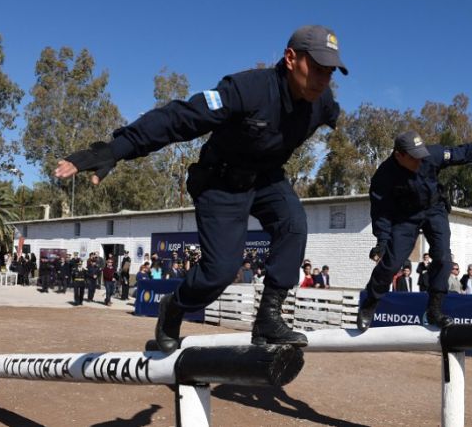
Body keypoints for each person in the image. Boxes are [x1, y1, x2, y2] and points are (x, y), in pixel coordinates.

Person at [56, 25, 346, 353]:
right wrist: (115, 148)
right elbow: (180, 118)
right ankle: (174, 307)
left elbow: (335, 120)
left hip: (265, 178)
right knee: (220, 271)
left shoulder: (322, 102)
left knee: (294, 223)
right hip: (219, 182)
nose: (323, 79)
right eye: (317, 69)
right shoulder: (246, 90)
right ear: (291, 58)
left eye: (330, 72)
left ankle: (269, 316)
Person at [356, 128, 472, 331]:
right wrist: (382, 242)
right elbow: (381, 213)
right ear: (399, 155)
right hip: (406, 218)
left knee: (444, 259)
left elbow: (468, 152)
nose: (420, 161)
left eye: (421, 156)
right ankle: (370, 303)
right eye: (414, 158)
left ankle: (434, 309)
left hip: (434, 210)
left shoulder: (432, 155)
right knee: (391, 263)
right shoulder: (383, 177)